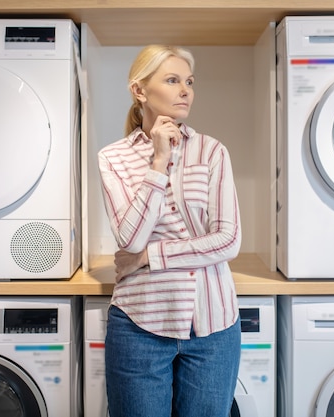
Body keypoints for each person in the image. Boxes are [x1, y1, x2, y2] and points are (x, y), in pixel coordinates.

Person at [97, 44, 243, 417]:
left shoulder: (212, 152)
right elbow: (128, 238)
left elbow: (227, 239)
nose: (185, 91)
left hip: (212, 325)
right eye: (173, 80)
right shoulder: (113, 157)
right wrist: (158, 162)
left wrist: (148, 257)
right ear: (139, 90)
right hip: (139, 325)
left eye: (189, 82)